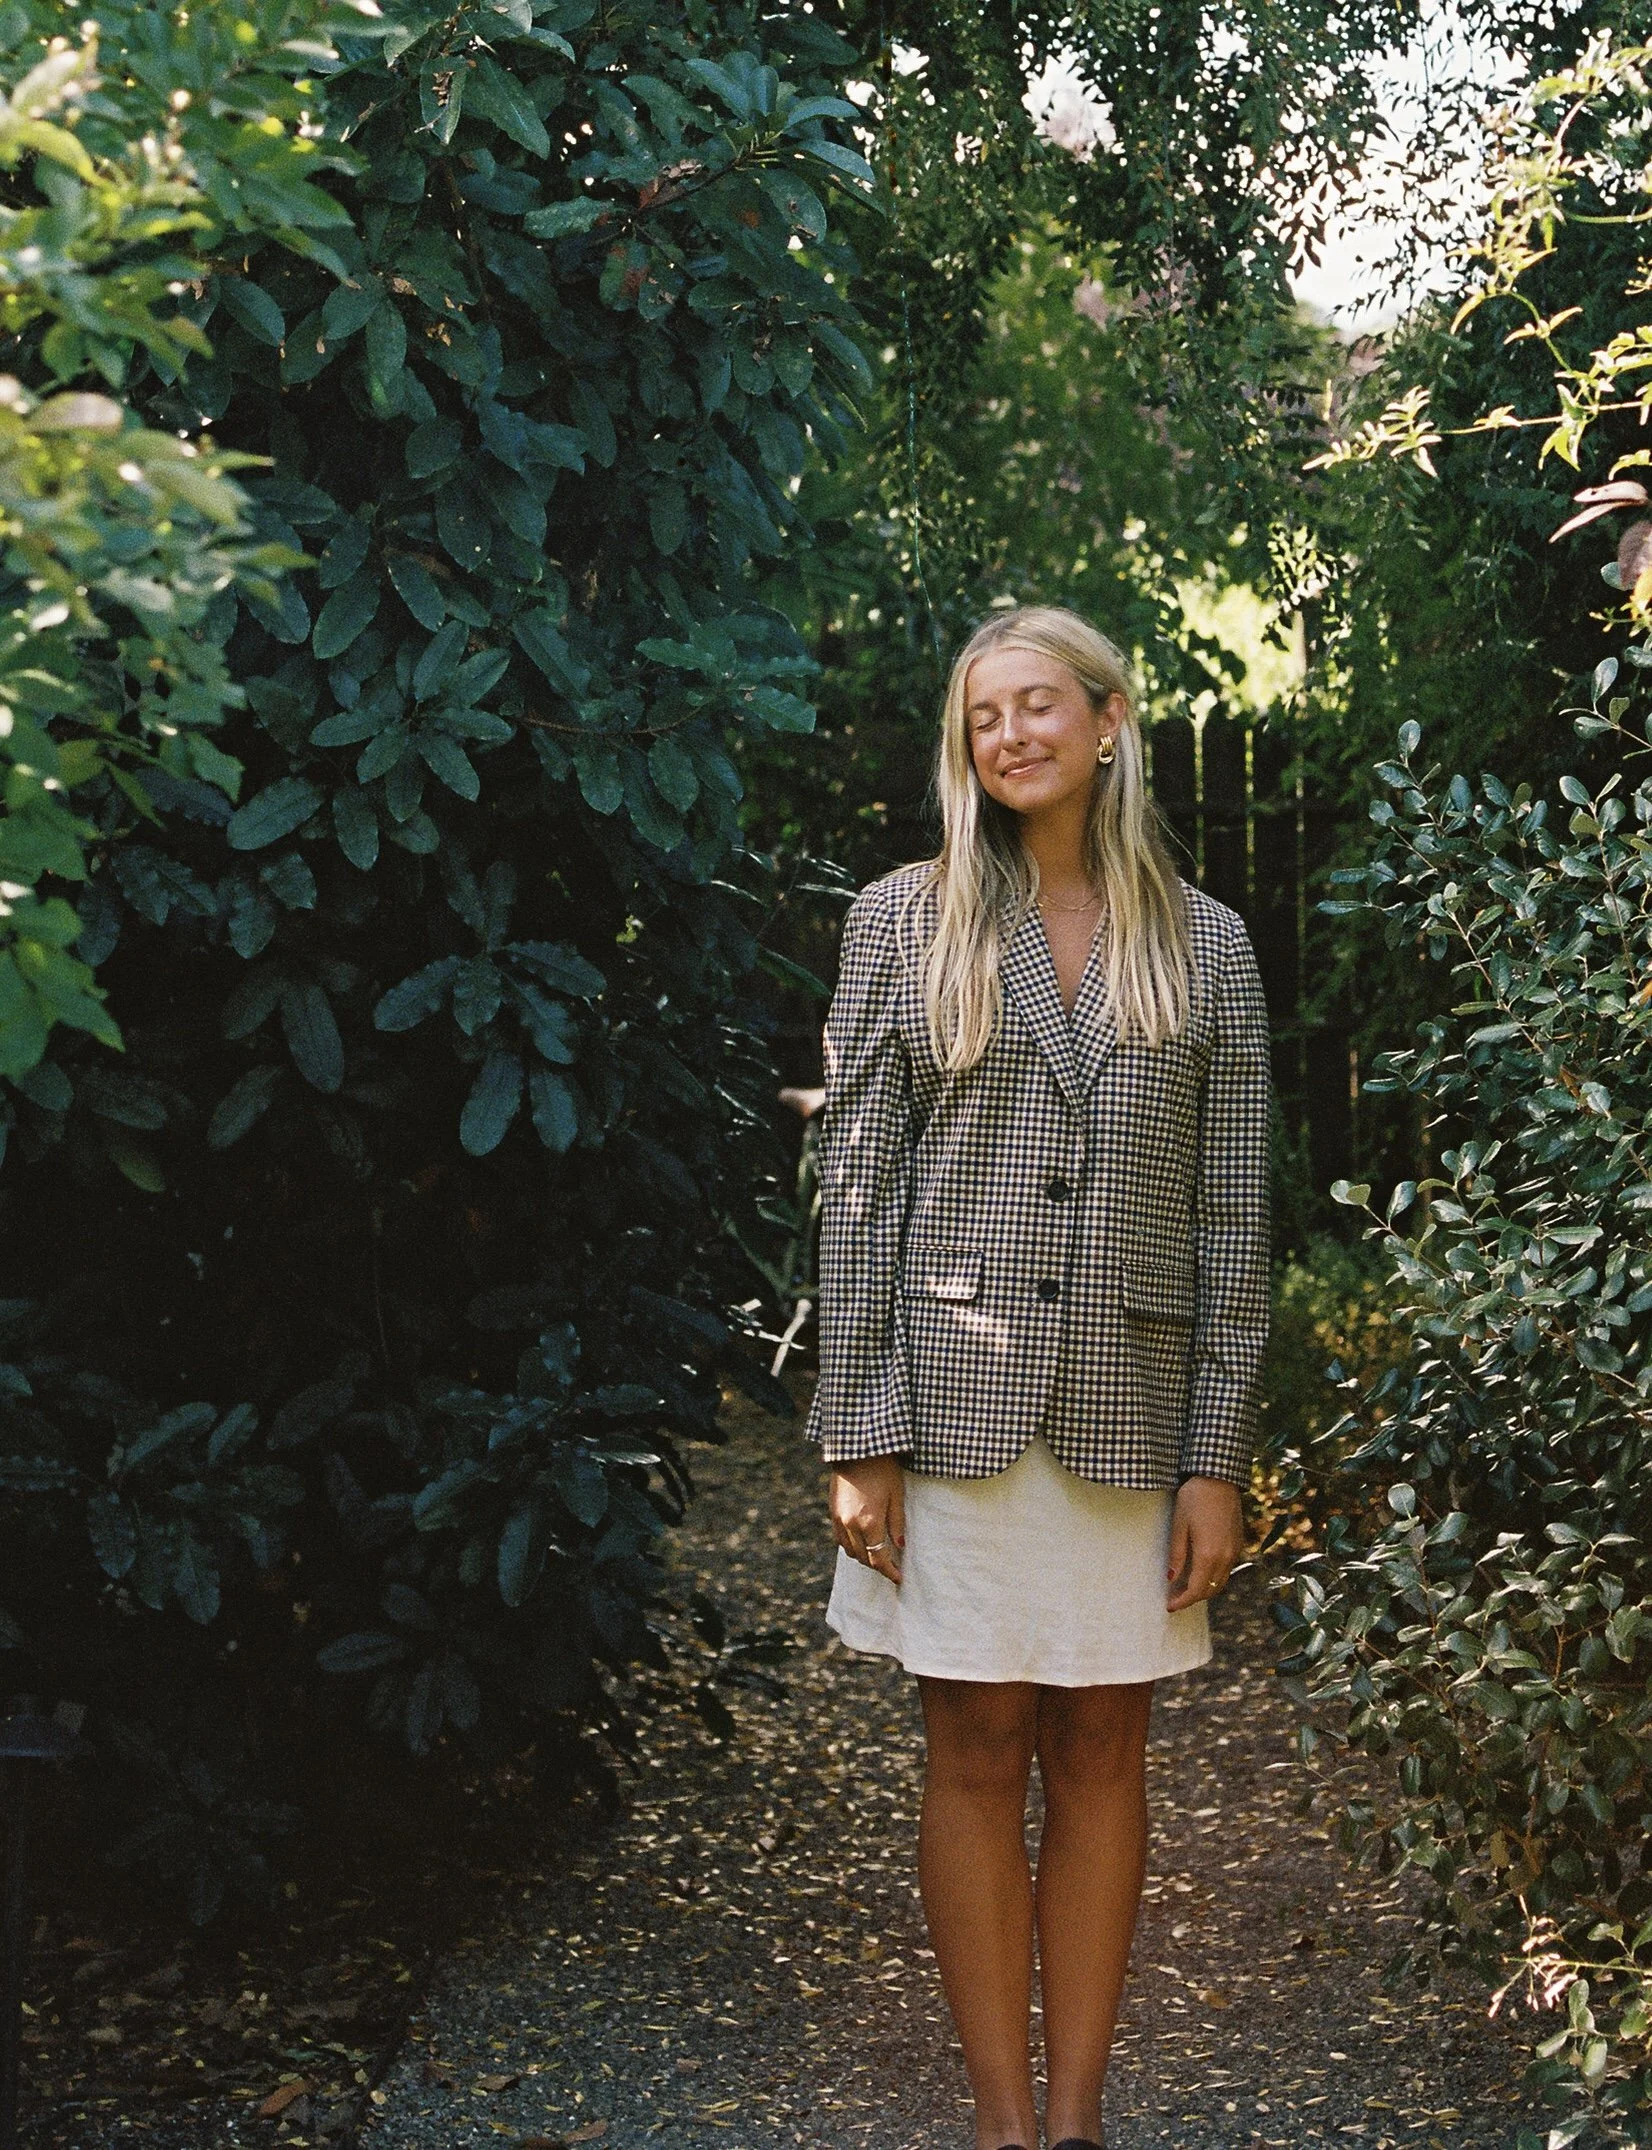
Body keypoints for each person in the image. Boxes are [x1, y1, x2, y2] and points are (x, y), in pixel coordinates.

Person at [805, 605, 1270, 2150]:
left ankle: (1077, 2119)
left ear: (1111, 717)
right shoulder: (902, 919)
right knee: (974, 1743)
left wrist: (1219, 1452)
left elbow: (1232, 1210)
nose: (1010, 735)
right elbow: (857, 1180)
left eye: (1038, 705)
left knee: (1103, 1747)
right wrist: (858, 1428)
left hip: (1134, 1417)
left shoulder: (1206, 942)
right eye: (982, 716)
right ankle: (1000, 2123)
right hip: (953, 1406)